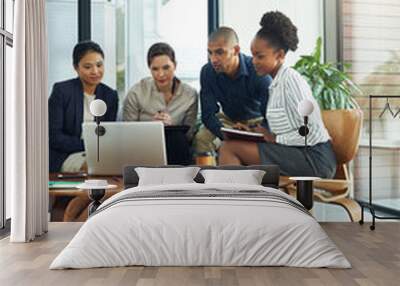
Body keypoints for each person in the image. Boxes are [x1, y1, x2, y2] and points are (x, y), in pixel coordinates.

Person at [219, 11, 336, 178]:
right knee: (231, 144)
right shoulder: (276, 83)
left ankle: (238, 202)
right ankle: (244, 201)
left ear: (280, 55)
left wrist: (275, 138)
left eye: (260, 56)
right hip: (297, 153)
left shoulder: (291, 81)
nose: (253, 61)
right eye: (253, 55)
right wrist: (256, 133)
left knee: (229, 148)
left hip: (314, 159)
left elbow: (310, 131)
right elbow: (288, 128)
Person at [194, 27, 272, 163]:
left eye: (219, 52)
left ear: (236, 50)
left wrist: (250, 131)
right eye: (210, 53)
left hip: (256, 120)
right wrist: (227, 133)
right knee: (202, 138)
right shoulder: (207, 72)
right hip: (228, 120)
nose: (213, 59)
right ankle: (208, 182)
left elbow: (271, 117)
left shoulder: (258, 72)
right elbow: (208, 114)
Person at [49, 41, 119, 172]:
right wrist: (88, 145)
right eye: (87, 67)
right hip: (66, 154)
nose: (95, 71)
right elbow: (54, 137)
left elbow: (108, 135)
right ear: (76, 67)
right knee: (96, 167)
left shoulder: (110, 95)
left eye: (99, 65)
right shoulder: (62, 91)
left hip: (98, 154)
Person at [123, 42, 198, 164]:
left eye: (166, 67)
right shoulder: (136, 92)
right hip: (143, 147)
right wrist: (152, 128)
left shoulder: (189, 94)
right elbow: (128, 134)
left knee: (176, 138)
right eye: (155, 69)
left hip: (177, 149)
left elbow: (189, 135)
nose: (161, 74)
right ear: (149, 69)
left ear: (175, 65)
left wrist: (172, 126)